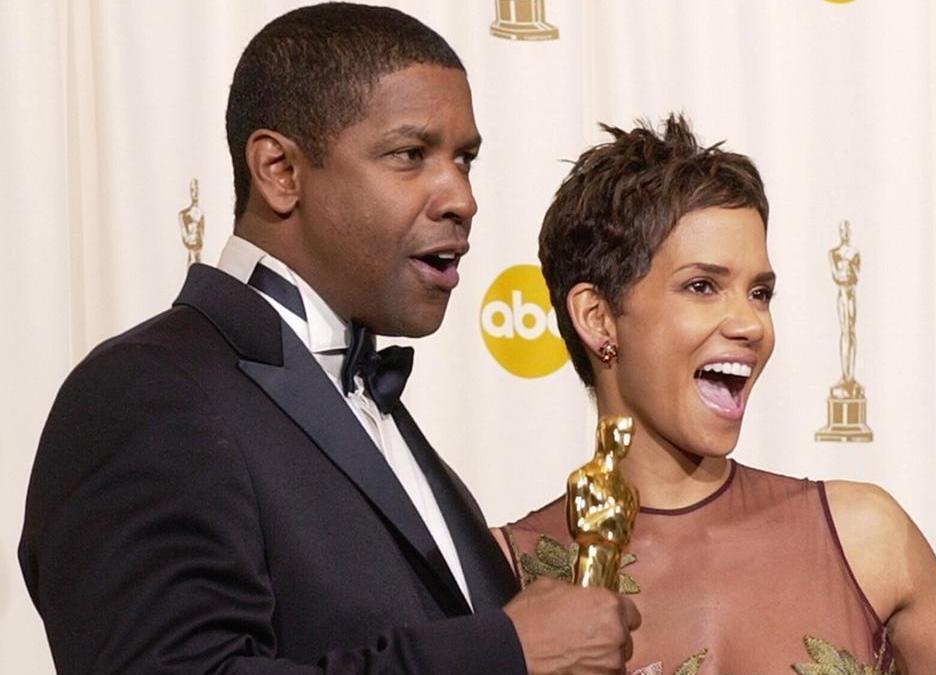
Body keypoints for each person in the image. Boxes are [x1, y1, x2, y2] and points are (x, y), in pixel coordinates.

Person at [19, 4, 637, 673]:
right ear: (280, 171)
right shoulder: (147, 392)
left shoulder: (371, 402)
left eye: (464, 159)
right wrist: (506, 651)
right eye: (410, 155)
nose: (460, 196)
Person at [499, 115, 936, 674]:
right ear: (597, 318)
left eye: (760, 291)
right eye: (703, 285)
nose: (749, 324)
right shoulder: (504, 572)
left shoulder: (862, 534)